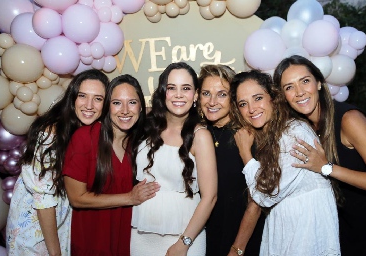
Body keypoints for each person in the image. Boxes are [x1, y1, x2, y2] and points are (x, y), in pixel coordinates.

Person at [274, 55, 366, 256]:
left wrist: (326, 168)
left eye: (305, 81)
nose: (299, 92)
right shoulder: (303, 128)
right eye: (289, 87)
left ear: (319, 83)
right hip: (348, 232)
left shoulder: (348, 120)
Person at [230, 70, 340, 256]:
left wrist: (245, 155)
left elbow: (266, 196)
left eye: (258, 98)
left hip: (305, 238)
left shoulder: (294, 133)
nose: (251, 109)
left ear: (273, 98)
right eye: (243, 104)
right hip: (289, 233)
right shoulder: (273, 136)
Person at [6, 69, 110, 256]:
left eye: (98, 99)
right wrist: (55, 253)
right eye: (82, 96)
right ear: (72, 98)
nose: (89, 105)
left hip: (62, 224)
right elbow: (43, 200)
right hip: (35, 229)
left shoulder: (89, 130)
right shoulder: (50, 133)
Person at [63, 74, 160, 255]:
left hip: (126, 241)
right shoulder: (85, 138)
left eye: (132, 102)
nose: (124, 110)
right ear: (108, 106)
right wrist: (130, 198)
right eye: (116, 103)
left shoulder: (139, 143)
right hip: (92, 242)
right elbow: (77, 198)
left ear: (141, 107)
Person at [131, 62, 217, 256]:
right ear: (163, 93)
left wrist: (184, 243)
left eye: (186, 88)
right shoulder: (146, 127)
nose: (179, 94)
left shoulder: (200, 136)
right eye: (172, 88)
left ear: (195, 95)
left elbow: (210, 198)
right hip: (140, 233)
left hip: (184, 238)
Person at [197, 64, 264, 256]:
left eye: (222, 94)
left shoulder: (248, 136)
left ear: (233, 99)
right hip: (207, 235)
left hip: (243, 237)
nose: (212, 101)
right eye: (206, 93)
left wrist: (238, 248)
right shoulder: (199, 133)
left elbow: (256, 200)